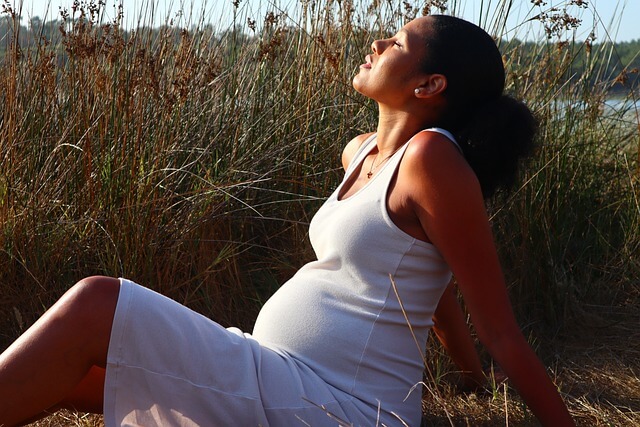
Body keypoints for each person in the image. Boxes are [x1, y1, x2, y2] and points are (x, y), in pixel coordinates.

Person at [0, 15, 574, 427]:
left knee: (98, 304)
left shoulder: (432, 160)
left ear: (429, 86)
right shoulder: (361, 152)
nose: (377, 40)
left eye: (397, 41)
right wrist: (468, 380)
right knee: (78, 377)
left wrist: (496, 383)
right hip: (280, 374)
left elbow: (499, 327)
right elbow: (426, 285)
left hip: (341, 405)